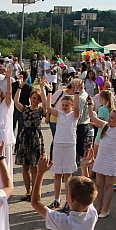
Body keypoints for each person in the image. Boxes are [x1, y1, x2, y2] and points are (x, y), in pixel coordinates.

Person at [41, 79, 78, 210]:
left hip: (69, 146)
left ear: (72, 106)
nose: (64, 107)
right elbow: (47, 107)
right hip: (58, 146)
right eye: (62, 105)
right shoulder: (59, 114)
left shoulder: (74, 115)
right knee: (57, 174)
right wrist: (48, 91)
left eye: (67, 105)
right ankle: (57, 199)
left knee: (68, 175)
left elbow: (78, 108)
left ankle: (69, 201)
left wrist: (77, 93)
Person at [88, 106, 116, 218]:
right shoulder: (105, 126)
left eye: (112, 118)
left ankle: (106, 209)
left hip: (111, 159)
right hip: (101, 158)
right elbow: (92, 117)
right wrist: (90, 104)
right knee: (99, 185)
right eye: (109, 117)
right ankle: (98, 207)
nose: (109, 119)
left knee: (109, 185)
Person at [14, 86, 45, 201]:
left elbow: (47, 106)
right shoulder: (25, 109)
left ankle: (36, 191)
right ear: (30, 98)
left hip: (35, 139)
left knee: (35, 168)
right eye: (34, 98)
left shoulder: (41, 110)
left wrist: (45, 90)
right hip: (24, 138)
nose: (35, 100)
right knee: (24, 167)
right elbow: (16, 101)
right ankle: (28, 191)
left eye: (37, 99)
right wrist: (20, 87)